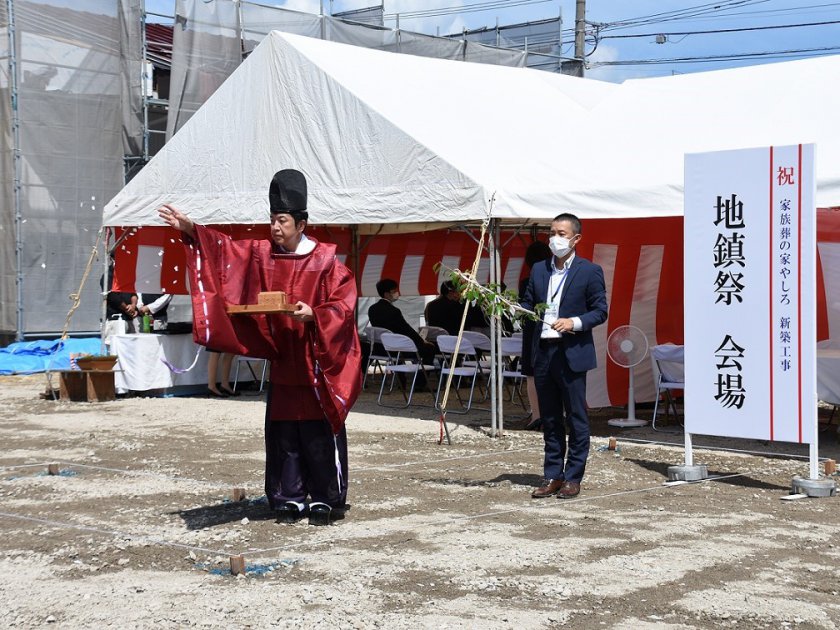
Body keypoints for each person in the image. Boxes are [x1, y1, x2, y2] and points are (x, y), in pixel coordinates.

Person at [158, 168, 362, 526]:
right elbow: (225, 252)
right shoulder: (262, 255)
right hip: (284, 361)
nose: (275, 227)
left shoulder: (327, 262)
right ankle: (289, 496)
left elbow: (344, 305)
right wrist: (192, 229)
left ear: (302, 223)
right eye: (272, 220)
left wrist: (316, 313)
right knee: (284, 432)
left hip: (315, 363)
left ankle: (326, 497)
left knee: (317, 432)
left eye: (281, 220)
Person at [520, 213, 608, 499]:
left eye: (561, 233)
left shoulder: (589, 271)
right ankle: (552, 474)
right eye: (551, 233)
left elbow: (600, 310)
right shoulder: (538, 269)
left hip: (571, 353)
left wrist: (574, 322)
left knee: (576, 416)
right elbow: (528, 304)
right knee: (550, 417)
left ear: (576, 238)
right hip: (543, 351)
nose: (554, 239)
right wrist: (513, 310)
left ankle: (573, 477)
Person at [518, 240, 552, 430]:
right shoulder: (555, 279)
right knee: (552, 373)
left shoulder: (526, 282)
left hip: (531, 330)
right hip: (551, 328)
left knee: (531, 374)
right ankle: (551, 415)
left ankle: (537, 415)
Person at [368, 278, 436, 365]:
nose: (397, 293)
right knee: (430, 349)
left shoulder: (372, 309)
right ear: (386, 294)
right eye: (394, 291)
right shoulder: (393, 310)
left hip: (379, 349)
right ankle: (421, 377)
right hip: (396, 349)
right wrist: (422, 341)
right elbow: (406, 329)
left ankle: (403, 377)